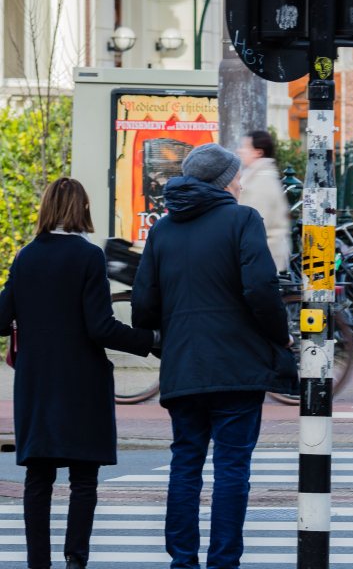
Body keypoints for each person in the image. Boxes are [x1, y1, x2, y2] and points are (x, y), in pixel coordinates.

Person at [132, 143, 296, 569]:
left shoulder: (163, 230)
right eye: (236, 175)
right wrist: (280, 337)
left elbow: (143, 304)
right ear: (225, 180)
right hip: (236, 368)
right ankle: (223, 561)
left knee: (185, 464)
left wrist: (165, 338)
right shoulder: (242, 219)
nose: (240, 182)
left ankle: (182, 560)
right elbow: (261, 288)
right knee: (231, 469)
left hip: (183, 368)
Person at [0, 178, 154, 569]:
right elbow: (100, 327)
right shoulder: (87, 257)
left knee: (39, 480)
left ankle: (38, 563)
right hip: (81, 382)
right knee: (83, 479)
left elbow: (2, 319)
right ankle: (75, 559)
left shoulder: (25, 257)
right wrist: (149, 340)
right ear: (81, 209)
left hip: (36, 383)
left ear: (46, 209)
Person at [238, 130, 292, 272]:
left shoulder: (261, 181)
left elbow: (256, 223)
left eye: (245, 147)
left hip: (260, 259)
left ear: (258, 153)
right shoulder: (258, 176)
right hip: (262, 256)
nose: (240, 151)